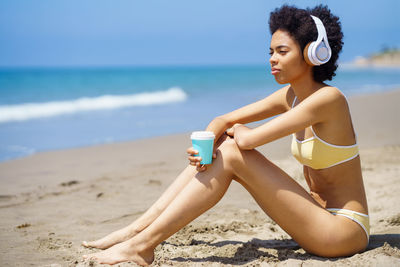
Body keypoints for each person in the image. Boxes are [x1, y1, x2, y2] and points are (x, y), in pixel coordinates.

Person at [82, 4, 369, 265]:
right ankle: (138, 229)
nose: (272, 59)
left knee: (231, 149)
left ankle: (141, 246)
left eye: (282, 51)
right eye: (270, 52)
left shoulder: (329, 100)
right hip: (313, 216)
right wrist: (205, 150)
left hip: (343, 231)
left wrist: (233, 133)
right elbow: (223, 119)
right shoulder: (291, 96)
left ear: (312, 53)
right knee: (222, 143)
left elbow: (246, 140)